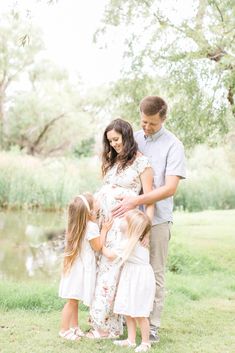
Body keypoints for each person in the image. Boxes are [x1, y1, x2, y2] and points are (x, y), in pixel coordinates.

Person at [112, 96, 186, 343]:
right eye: (143, 122)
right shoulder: (133, 137)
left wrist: (137, 201)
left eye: (152, 124)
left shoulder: (173, 145)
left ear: (163, 119)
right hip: (127, 220)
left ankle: (152, 326)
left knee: (154, 273)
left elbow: (170, 188)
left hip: (158, 220)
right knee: (126, 268)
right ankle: (128, 321)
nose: (146, 128)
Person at [87, 118, 154, 339]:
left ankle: (106, 329)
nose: (114, 144)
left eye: (116, 139)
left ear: (126, 135)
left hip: (122, 227)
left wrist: (146, 230)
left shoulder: (142, 163)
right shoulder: (115, 162)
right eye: (110, 141)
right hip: (105, 225)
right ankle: (106, 325)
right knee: (102, 273)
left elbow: (149, 200)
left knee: (111, 274)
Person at [58, 193, 113, 340]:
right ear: (89, 211)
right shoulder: (91, 227)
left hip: (75, 267)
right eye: (95, 201)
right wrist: (105, 230)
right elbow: (97, 247)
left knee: (74, 299)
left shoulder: (77, 224)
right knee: (71, 301)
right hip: (80, 269)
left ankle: (74, 327)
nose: (98, 200)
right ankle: (64, 330)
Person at [102, 209, 155, 352]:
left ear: (131, 227)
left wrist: (101, 236)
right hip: (132, 275)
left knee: (140, 312)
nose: (121, 221)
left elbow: (109, 255)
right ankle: (130, 340)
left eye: (125, 220)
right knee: (127, 308)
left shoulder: (128, 243)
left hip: (139, 279)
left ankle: (145, 342)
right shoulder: (131, 239)